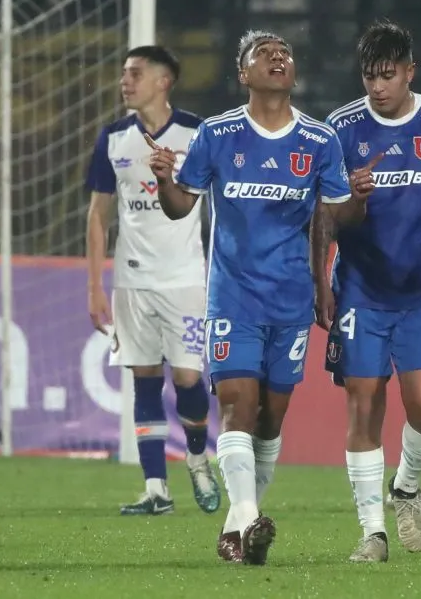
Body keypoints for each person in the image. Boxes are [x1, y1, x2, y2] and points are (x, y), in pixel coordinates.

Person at [146, 30, 374, 565]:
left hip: (290, 298)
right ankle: (250, 518)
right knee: (236, 407)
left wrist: (358, 199)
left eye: (284, 52)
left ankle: (236, 531)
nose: (278, 57)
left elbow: (338, 218)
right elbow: (181, 206)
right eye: (264, 53)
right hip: (233, 297)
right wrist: (164, 180)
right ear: (243, 74)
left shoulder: (319, 140)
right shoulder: (217, 134)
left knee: (270, 420)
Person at [314, 20, 421, 562]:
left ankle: (405, 487)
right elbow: (328, 217)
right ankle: (372, 534)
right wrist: (352, 199)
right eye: (369, 76)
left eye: (387, 75)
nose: (377, 86)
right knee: (364, 406)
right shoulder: (341, 128)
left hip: (420, 294)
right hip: (359, 291)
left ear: (410, 71)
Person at [85, 45, 220, 516]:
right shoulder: (113, 138)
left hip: (185, 279)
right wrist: (95, 286)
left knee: (187, 378)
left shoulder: (197, 133)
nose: (125, 81)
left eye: (136, 73)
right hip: (132, 280)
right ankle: (156, 489)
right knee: (143, 378)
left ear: (164, 81)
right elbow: (98, 215)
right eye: (124, 73)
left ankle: (198, 459)